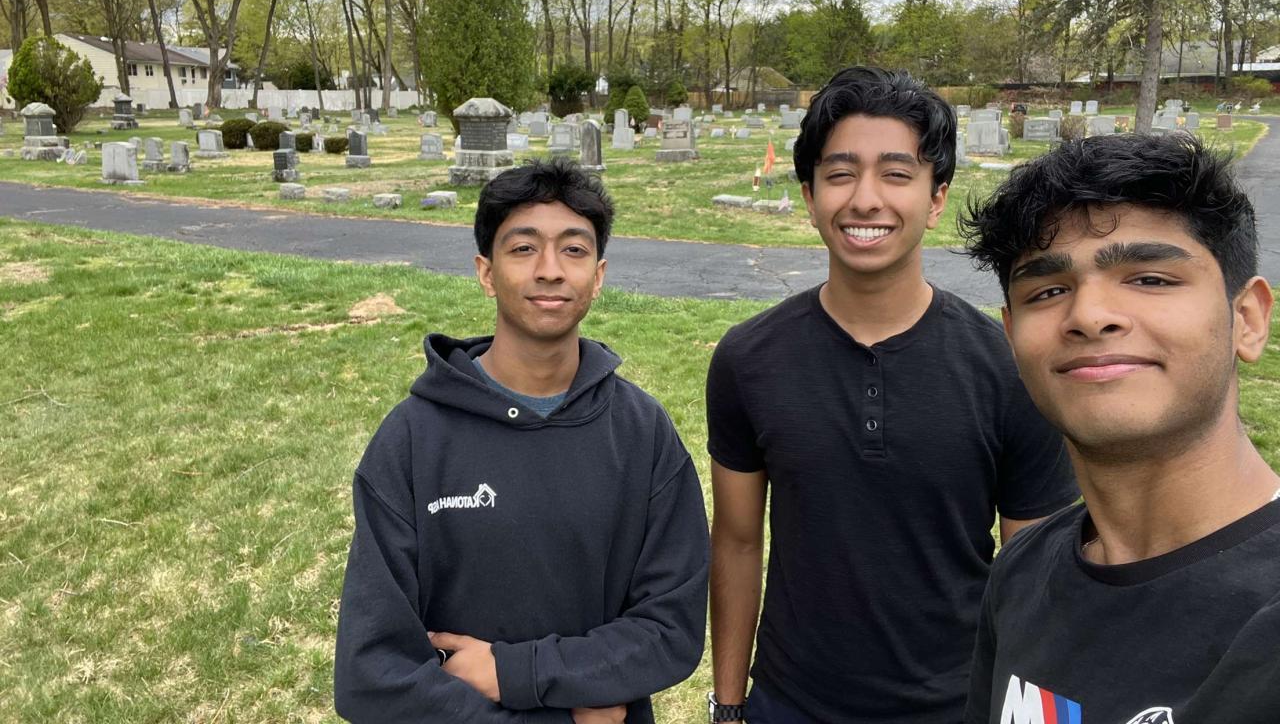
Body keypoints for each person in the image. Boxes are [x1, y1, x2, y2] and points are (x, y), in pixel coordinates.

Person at [706, 66, 1077, 724]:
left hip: (959, 704)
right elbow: (737, 542)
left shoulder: (1010, 368)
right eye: (840, 173)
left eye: (897, 174)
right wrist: (729, 705)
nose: (865, 199)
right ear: (810, 195)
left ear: (936, 198)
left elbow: (1036, 578)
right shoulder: (747, 359)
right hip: (790, 704)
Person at [335, 157, 709, 724]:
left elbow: (670, 630)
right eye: (524, 248)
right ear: (486, 272)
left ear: (598, 276)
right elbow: (372, 673)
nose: (550, 270)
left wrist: (518, 671)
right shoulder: (412, 439)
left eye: (573, 249)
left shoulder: (642, 432)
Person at [961, 133, 1279, 724]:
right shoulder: (1021, 571)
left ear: (1247, 319)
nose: (1088, 316)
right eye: (1048, 291)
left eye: (1150, 279)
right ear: (1012, 338)